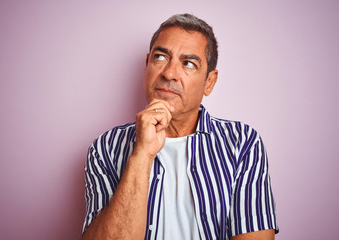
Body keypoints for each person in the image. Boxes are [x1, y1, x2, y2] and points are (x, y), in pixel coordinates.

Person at [81, 13, 278, 240]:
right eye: (161, 57)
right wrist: (142, 154)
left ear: (209, 82)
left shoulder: (242, 142)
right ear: (147, 65)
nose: (169, 73)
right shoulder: (106, 147)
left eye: (188, 63)